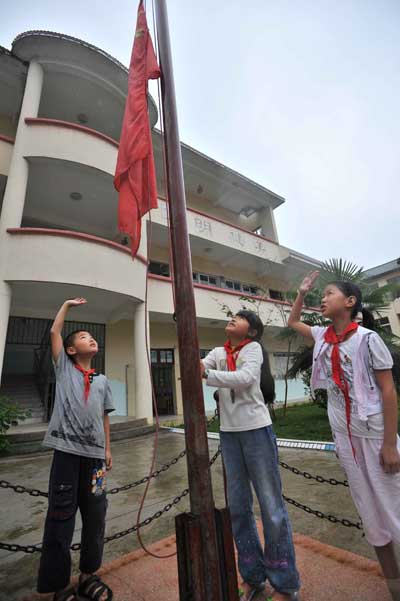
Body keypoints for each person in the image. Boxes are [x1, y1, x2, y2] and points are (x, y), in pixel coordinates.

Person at [288, 272, 400, 601]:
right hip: (345, 437)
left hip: (375, 433)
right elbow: (294, 320)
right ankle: (393, 584)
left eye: (329, 293)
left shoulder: (367, 339)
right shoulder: (322, 335)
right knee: (368, 509)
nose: (322, 299)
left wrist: (390, 444)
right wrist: (301, 291)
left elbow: (388, 392)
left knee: (394, 504)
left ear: (350, 302)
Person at [201, 310, 300, 601]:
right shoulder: (218, 351)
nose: (232, 318)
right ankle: (253, 576)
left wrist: (206, 373)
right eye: (231, 316)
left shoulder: (253, 349)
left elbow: (244, 378)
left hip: (257, 431)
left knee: (271, 507)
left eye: (240, 317)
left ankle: (285, 583)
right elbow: (200, 365)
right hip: (230, 435)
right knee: (239, 508)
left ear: (252, 332)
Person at [28, 298, 114, 601]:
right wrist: (64, 305)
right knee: (61, 517)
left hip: (94, 460)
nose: (89, 338)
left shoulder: (102, 381)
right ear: (70, 351)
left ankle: (89, 575)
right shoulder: (64, 369)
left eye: (91, 337)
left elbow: (104, 416)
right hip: (66, 453)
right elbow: (54, 333)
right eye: (81, 337)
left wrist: (107, 449)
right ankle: (60, 586)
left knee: (96, 516)